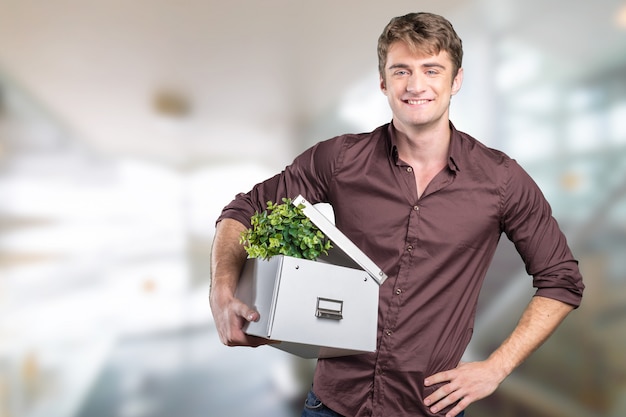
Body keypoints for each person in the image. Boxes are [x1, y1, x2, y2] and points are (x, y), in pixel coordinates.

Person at [209, 12, 584, 417]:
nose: (416, 85)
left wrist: (497, 368)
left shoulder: (502, 179)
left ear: (456, 80)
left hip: (426, 408)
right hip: (332, 403)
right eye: (401, 70)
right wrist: (221, 291)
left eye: (432, 69)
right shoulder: (339, 159)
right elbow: (245, 208)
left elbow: (561, 279)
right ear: (384, 83)